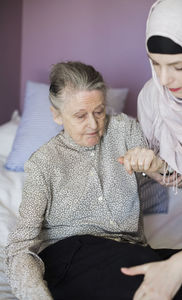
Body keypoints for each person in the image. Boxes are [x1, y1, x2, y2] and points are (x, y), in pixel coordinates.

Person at [5, 61, 168, 300]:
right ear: (56, 115)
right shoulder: (42, 164)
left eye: (99, 111)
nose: (93, 124)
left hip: (132, 253)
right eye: (80, 115)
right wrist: (36, 295)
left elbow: (180, 180)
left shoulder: (125, 130)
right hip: (71, 256)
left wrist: (158, 165)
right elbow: (20, 247)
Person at [121, 0, 182, 299]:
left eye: (179, 66)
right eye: (154, 63)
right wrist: (155, 167)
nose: (164, 79)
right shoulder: (152, 97)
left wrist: (179, 266)